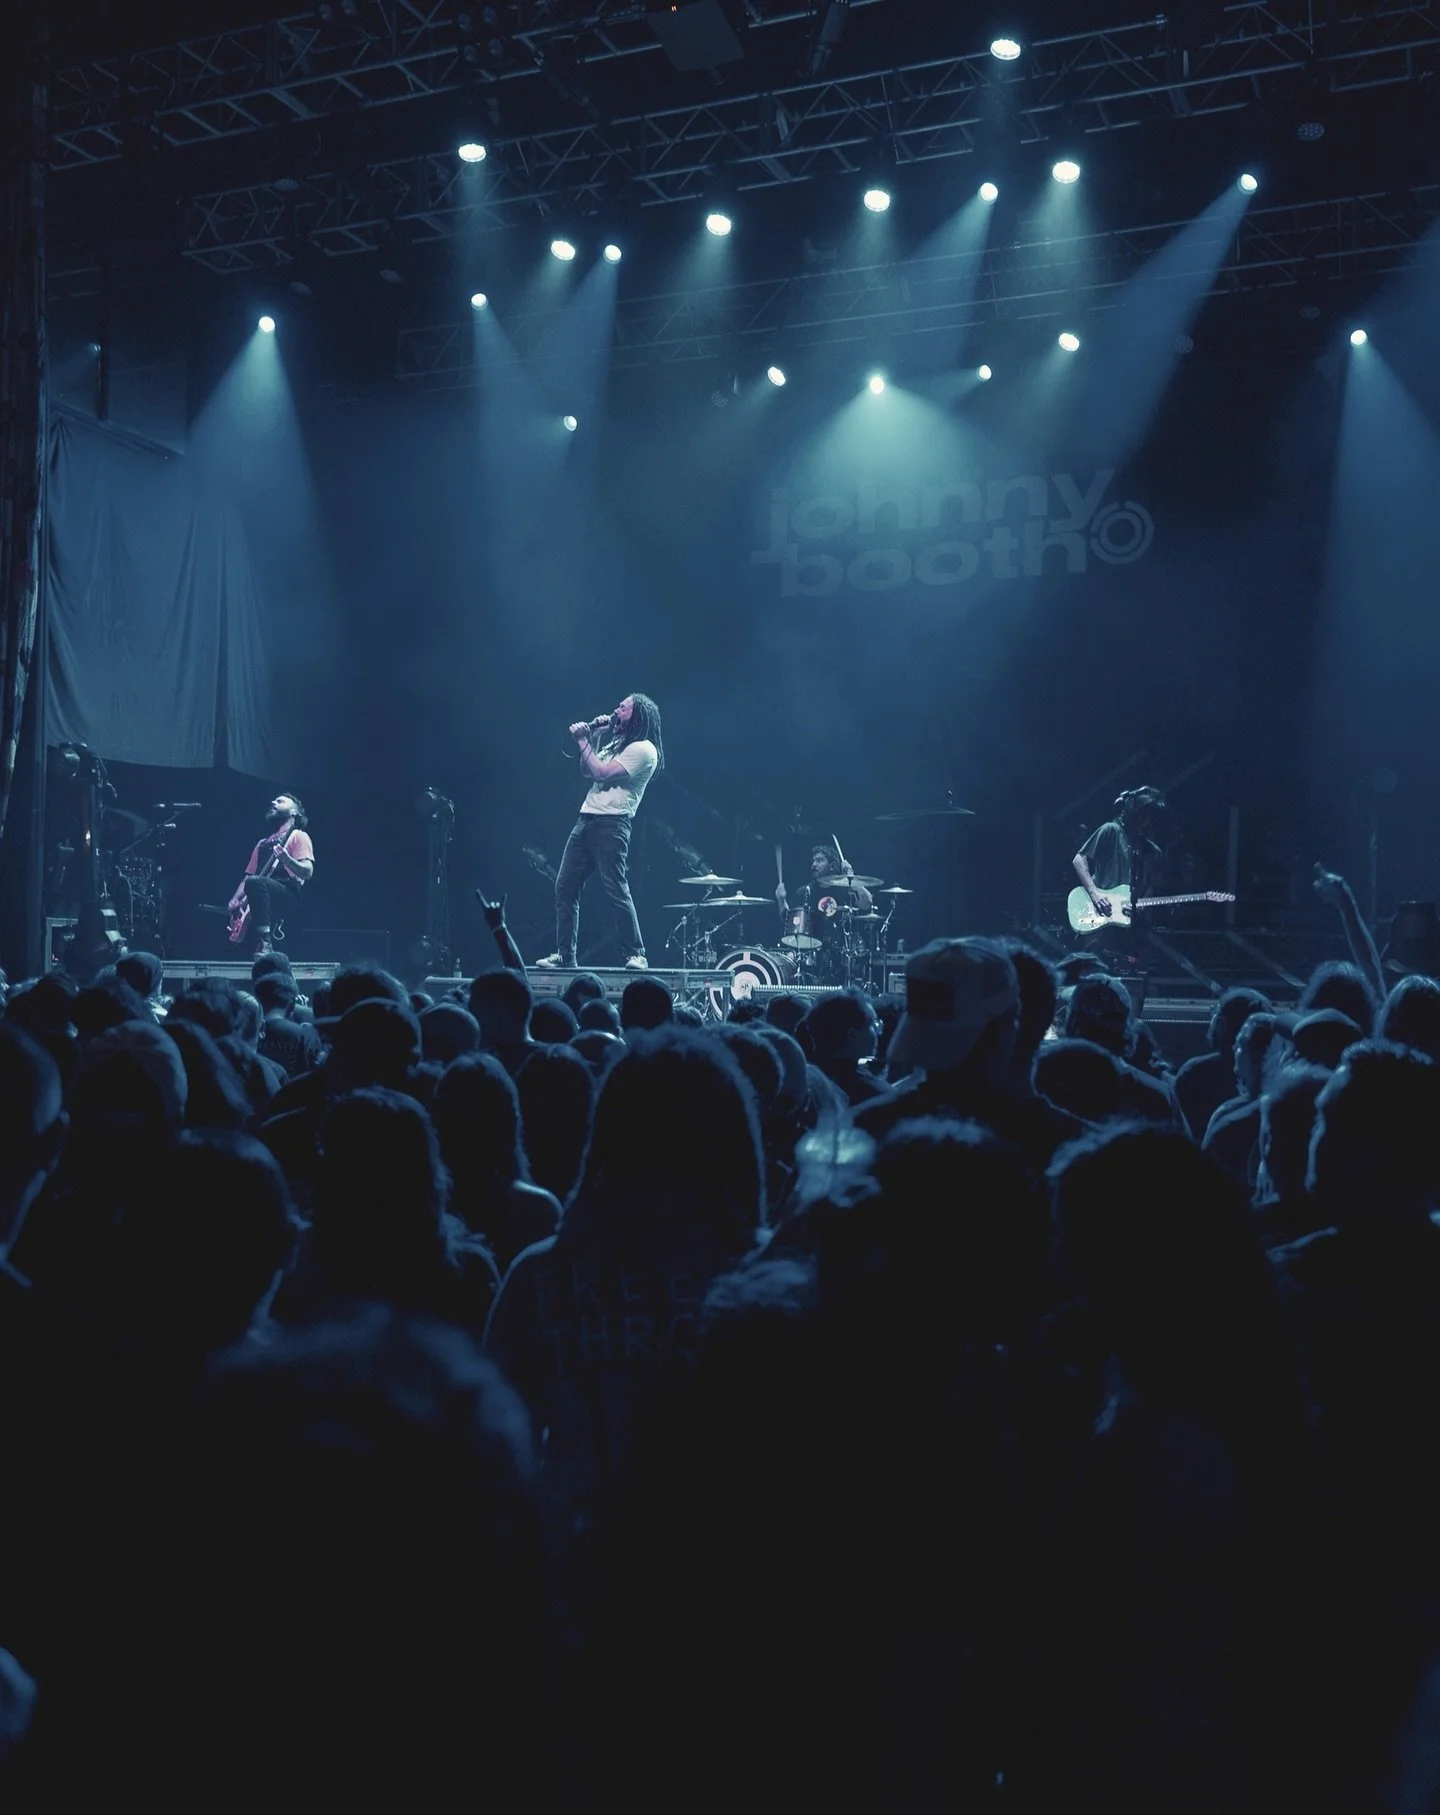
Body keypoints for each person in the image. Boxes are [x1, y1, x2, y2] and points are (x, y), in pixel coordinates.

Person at [535, 694, 663, 973]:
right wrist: (593, 738)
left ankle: (636, 953)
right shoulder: (617, 743)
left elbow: (602, 774)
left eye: (623, 707)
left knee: (615, 889)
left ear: (638, 714)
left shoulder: (643, 749)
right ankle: (565, 954)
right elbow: (586, 768)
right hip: (586, 821)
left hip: (612, 825)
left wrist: (582, 740)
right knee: (565, 886)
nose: (616, 709)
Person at [1070, 786, 1167, 1007]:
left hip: (1133, 925)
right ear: (1133, 811)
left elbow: (1152, 884)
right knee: (1096, 975)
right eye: (1144, 814)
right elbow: (1079, 860)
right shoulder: (1111, 831)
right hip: (1102, 920)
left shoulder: (1153, 851)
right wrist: (1095, 894)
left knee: (1135, 977)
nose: (1147, 821)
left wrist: (1142, 906)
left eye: (1151, 817)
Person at [227, 792, 315, 957]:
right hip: (260, 893)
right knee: (254, 882)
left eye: (280, 801)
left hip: (287, 892)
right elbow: (248, 877)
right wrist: (235, 899)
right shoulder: (262, 844)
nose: (273, 802)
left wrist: (287, 860)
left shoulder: (298, 836)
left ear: (293, 813)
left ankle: (265, 942)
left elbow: (308, 872)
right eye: (274, 800)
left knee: (256, 882)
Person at [776, 843, 874, 985]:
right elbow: (788, 922)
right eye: (813, 861)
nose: (814, 864)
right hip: (811, 954)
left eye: (820, 860)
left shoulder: (845, 889)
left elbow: (867, 904)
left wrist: (851, 876)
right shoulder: (804, 892)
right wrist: (781, 900)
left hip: (842, 951)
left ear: (833, 866)